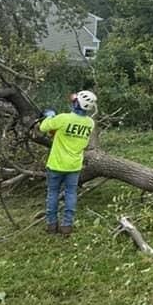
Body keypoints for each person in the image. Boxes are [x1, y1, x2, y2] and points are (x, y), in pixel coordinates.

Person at [38, 90, 98, 236]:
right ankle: (67, 226)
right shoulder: (90, 123)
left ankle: (51, 225)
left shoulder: (63, 118)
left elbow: (43, 127)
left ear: (77, 103)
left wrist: (50, 115)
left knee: (52, 194)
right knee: (71, 194)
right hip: (74, 166)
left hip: (56, 164)